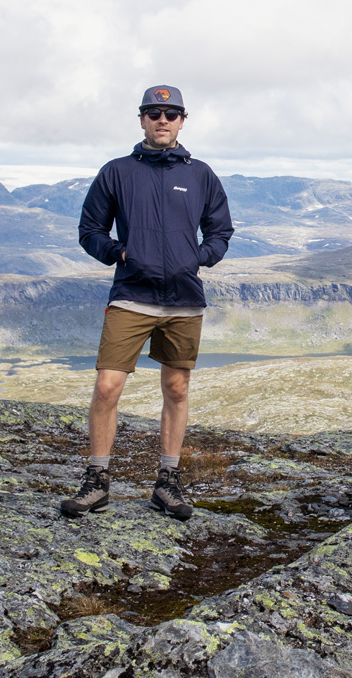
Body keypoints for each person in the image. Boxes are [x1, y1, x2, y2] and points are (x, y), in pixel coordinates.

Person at [61, 84, 233, 520]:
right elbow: (90, 230)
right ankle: (98, 482)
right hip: (132, 295)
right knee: (107, 386)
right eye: (154, 112)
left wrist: (198, 258)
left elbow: (220, 230)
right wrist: (120, 253)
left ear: (182, 120)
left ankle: (167, 483)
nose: (162, 119)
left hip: (183, 299)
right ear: (141, 119)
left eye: (171, 113)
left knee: (176, 388)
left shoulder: (200, 174)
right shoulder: (117, 171)